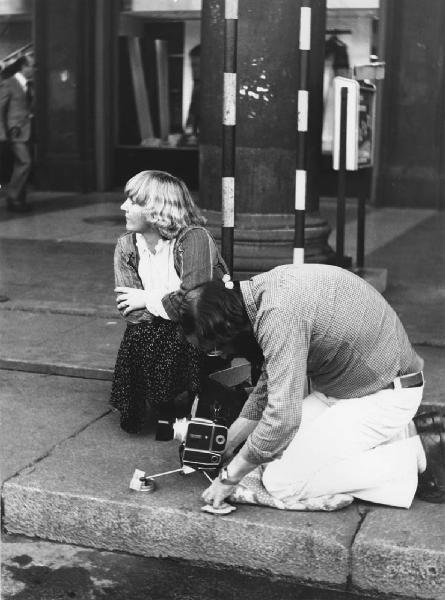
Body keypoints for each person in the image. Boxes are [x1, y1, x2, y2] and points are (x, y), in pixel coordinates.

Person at [178, 264, 445, 509]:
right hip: (354, 388)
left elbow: (282, 418)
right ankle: (395, 436)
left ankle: (416, 454)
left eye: (214, 349)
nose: (222, 356)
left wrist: (228, 478)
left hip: (383, 395)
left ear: (226, 327)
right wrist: (228, 444)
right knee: (275, 452)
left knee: (281, 482)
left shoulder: (278, 315)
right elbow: (270, 386)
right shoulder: (260, 292)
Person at [110, 170, 229, 433]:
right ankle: (159, 405)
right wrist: (165, 304)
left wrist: (147, 299)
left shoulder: (194, 238)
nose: (123, 207)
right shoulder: (126, 245)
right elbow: (132, 312)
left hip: (204, 329)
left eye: (133, 201)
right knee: (142, 331)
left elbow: (195, 304)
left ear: (157, 209)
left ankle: (177, 404)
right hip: (164, 327)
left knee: (174, 332)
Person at [0, 54, 34, 212]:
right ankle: (12, 196)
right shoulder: (8, 83)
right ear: (24, 67)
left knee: (21, 163)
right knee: (25, 162)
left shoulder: (28, 85)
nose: (34, 69)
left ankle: (19, 196)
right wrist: (2, 132)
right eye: (32, 66)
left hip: (27, 130)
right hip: (15, 131)